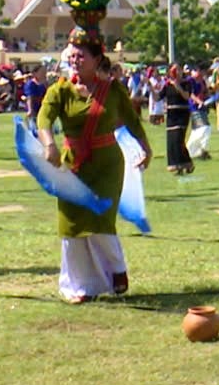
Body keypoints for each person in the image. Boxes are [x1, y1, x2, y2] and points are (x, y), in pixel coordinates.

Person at [36, 41, 153, 303]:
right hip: (72, 164)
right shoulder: (60, 90)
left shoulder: (112, 90)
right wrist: (49, 144)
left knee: (101, 219)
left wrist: (146, 147)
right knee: (71, 224)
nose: (75, 60)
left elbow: (133, 120)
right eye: (72, 56)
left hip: (107, 164)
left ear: (97, 58)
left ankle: (116, 271)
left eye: (81, 55)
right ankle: (78, 286)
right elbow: (44, 118)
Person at [161, 64, 196, 175]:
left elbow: (186, 96)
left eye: (179, 70)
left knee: (178, 139)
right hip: (171, 114)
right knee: (171, 140)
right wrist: (149, 86)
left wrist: (177, 86)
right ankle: (177, 165)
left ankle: (186, 163)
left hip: (182, 113)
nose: (177, 72)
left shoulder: (186, 83)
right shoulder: (167, 85)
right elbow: (158, 97)